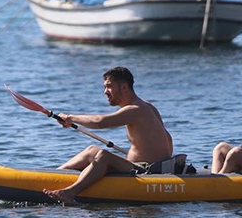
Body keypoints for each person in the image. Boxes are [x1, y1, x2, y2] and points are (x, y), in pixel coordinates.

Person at [43, 66, 173, 204]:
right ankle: (49, 176)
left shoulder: (135, 110)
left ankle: (69, 193)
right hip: (143, 165)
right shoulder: (148, 106)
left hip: (147, 170)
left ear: (124, 88)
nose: (105, 92)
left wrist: (70, 118)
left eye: (109, 86)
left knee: (104, 156)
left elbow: (101, 122)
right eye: (104, 87)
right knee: (91, 150)